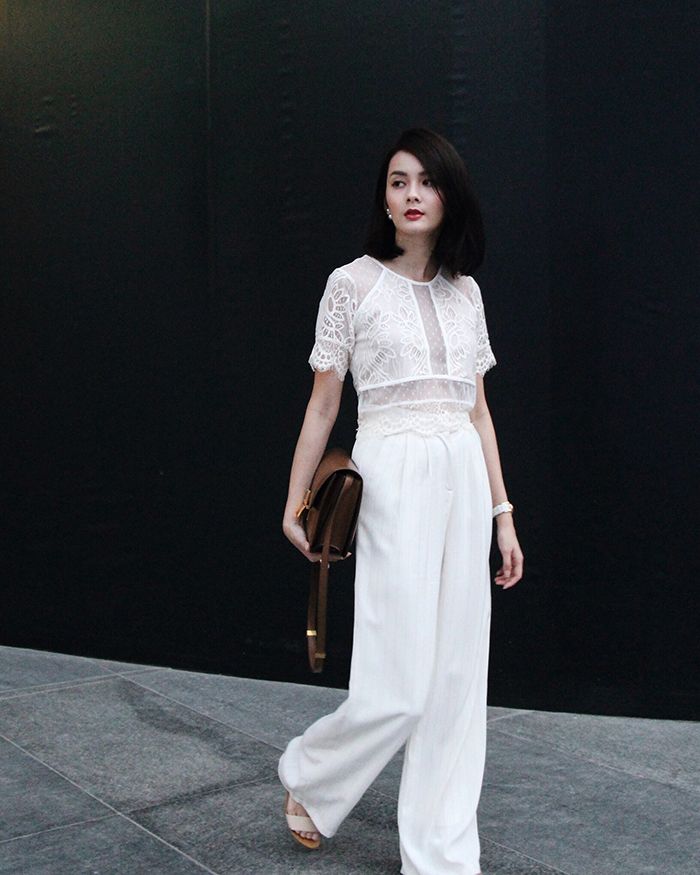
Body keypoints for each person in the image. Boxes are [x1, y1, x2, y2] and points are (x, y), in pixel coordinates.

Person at [279, 127, 524, 875]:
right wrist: (295, 500)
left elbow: (478, 413)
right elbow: (324, 404)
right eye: (397, 181)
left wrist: (503, 514)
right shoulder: (351, 285)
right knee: (399, 685)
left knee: (455, 681)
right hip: (391, 476)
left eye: (426, 181)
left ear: (449, 196)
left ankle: (440, 854)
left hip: (463, 477)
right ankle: (313, 776)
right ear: (384, 200)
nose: (412, 194)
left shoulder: (466, 293)